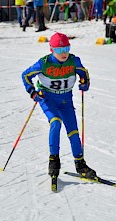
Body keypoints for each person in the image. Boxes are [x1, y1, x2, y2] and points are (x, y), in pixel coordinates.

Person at [21, 32, 96, 179]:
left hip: (66, 100)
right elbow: (25, 75)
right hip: (47, 98)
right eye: (60, 50)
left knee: (73, 132)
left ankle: (80, 164)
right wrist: (32, 92)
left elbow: (84, 74)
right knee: (56, 122)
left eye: (66, 49)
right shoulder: (44, 63)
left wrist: (85, 83)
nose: (64, 53)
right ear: (51, 49)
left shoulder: (74, 61)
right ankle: (54, 161)